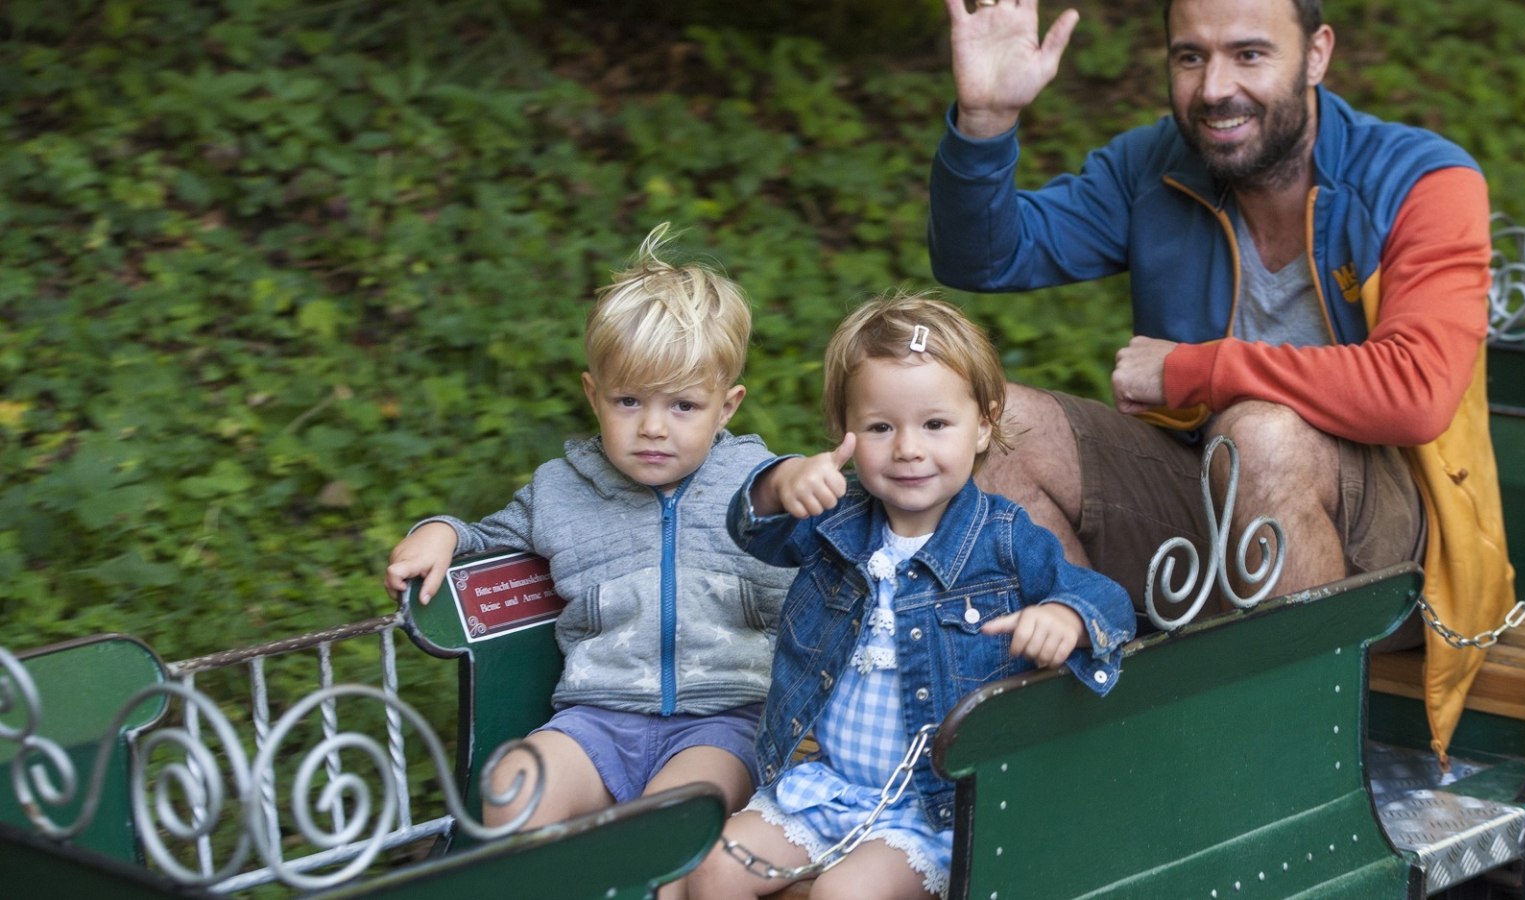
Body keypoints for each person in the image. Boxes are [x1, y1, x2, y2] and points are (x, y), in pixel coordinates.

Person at [926, 0, 1512, 759]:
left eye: (1249, 55)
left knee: (1260, 435)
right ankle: (1087, 737)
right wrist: (986, 122)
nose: (1213, 88)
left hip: (1396, 543)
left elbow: (1419, 389)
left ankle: (1295, 769)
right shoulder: (1155, 166)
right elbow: (986, 258)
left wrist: (1194, 369)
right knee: (1006, 430)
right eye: (1190, 57)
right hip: (1208, 495)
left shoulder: (1421, 179)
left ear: (1317, 53)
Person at [685, 294, 1134, 900]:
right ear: (846, 432)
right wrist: (779, 480)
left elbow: (1106, 599)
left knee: (842, 895)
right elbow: (756, 529)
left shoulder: (1003, 540)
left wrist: (1066, 616)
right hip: (827, 787)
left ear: (984, 425)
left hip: (929, 811)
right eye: (880, 427)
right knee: (709, 871)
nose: (908, 449)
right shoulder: (834, 523)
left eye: (935, 424)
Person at [382, 225, 792, 866]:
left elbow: (826, 581)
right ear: (592, 396)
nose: (653, 428)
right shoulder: (561, 490)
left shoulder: (758, 487)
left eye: (683, 406)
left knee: (667, 819)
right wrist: (439, 531)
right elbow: (488, 538)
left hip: (725, 722)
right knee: (513, 786)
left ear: (727, 406)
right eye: (628, 401)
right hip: (598, 719)